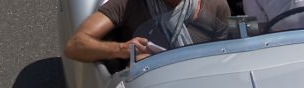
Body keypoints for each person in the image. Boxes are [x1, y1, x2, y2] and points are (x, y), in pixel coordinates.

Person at [64, 0, 231, 62]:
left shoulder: (217, 6)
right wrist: (123, 49)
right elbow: (74, 45)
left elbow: (225, 59)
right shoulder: (129, 3)